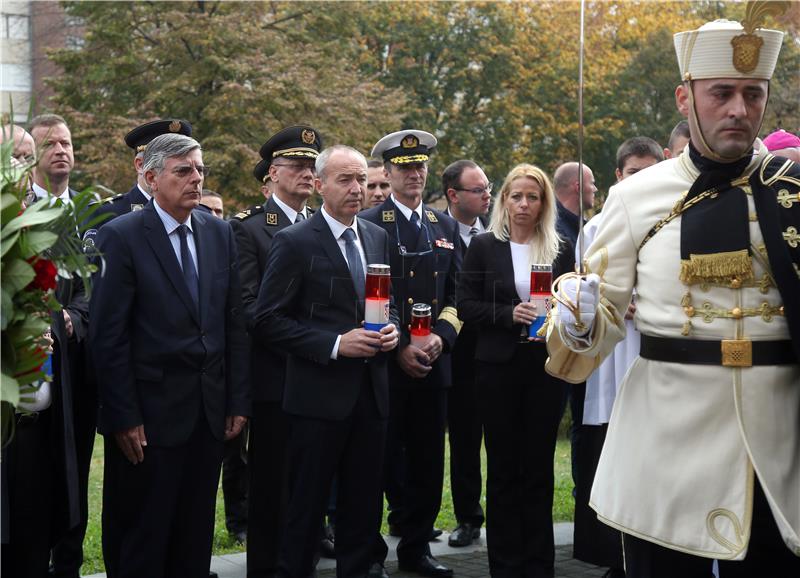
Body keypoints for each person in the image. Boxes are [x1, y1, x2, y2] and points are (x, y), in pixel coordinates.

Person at [547, 16, 800, 578]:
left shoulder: (793, 187)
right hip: (669, 438)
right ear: (686, 99)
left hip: (781, 439)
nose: (739, 108)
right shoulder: (635, 196)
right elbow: (601, 321)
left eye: (752, 94)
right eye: (722, 93)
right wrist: (581, 317)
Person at [90, 133, 250, 578]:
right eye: (183, 170)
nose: (196, 179)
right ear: (151, 177)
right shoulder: (120, 236)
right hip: (148, 419)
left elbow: (232, 323)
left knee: (194, 536)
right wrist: (122, 415)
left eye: (199, 169)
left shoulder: (219, 233)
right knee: (144, 534)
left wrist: (237, 400)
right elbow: (109, 335)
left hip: (207, 413)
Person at [252, 144, 400, 578]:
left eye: (361, 179)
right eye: (345, 180)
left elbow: (385, 304)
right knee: (304, 515)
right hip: (316, 403)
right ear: (318, 186)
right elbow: (267, 320)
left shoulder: (376, 236)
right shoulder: (294, 241)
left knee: (362, 511)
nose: (357, 189)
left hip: (371, 400)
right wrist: (335, 344)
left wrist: (392, 328)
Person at [458, 163, 572, 578]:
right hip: (497, 369)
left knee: (538, 468)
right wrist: (509, 313)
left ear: (544, 204)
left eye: (533, 197)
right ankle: (505, 566)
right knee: (504, 468)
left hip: (546, 368)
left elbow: (576, 302)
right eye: (516, 196)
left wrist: (562, 314)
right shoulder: (484, 246)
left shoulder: (561, 247)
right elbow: (465, 305)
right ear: (504, 200)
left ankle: (540, 566)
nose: (524, 205)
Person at [361, 129, 462, 578]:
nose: (414, 174)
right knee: (376, 462)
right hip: (384, 364)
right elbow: (366, 296)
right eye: (404, 167)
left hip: (433, 365)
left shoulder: (446, 226)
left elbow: (458, 293)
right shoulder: (369, 223)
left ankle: (417, 549)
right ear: (386, 172)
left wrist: (442, 334)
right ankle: (369, 554)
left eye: (420, 166)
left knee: (426, 462)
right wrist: (400, 346)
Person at [231, 125, 322, 578]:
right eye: (298, 165)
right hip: (276, 380)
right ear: (273, 173)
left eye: (312, 165)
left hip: (322, 380)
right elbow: (248, 309)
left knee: (308, 492)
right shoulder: (250, 229)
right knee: (271, 492)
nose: (308, 173)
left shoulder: (320, 227)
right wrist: (312, 339)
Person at [572, 137, 663, 578]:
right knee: (611, 461)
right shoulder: (594, 228)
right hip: (612, 358)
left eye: (651, 172)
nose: (642, 181)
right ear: (618, 177)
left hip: (656, 353)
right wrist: (610, 302)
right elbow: (583, 295)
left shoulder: (675, 220)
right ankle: (614, 556)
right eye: (633, 173)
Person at [1, 123, 84, 578]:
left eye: (27, 156)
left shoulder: (52, 223)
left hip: (39, 417)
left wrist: (57, 324)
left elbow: (74, 295)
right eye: (16, 156)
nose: (26, 166)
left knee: (33, 541)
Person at [441, 159, 491, 547]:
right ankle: (467, 517)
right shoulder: (435, 233)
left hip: (494, 353)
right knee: (462, 440)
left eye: (488, 187)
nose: (487, 195)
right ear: (453, 195)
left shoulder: (497, 235)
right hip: (452, 355)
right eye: (478, 190)